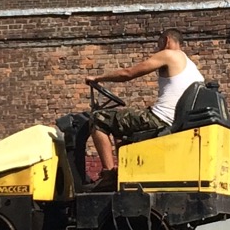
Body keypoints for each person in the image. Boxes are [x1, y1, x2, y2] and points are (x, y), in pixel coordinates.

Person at [87, 30, 204, 174]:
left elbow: (128, 73)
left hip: (161, 119)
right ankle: (123, 172)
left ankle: (108, 173)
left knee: (98, 118)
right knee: (120, 124)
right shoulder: (191, 66)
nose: (157, 48)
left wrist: (98, 78)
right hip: (175, 121)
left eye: (158, 43)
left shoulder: (169, 54)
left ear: (166, 41)